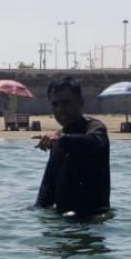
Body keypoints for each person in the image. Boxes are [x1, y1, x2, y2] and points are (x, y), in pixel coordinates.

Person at [36, 76, 111, 217]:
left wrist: (62, 140)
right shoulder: (59, 138)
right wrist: (37, 210)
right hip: (63, 221)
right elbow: (48, 185)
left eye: (66, 103)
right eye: (55, 104)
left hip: (92, 221)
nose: (60, 109)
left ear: (80, 103)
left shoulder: (94, 128)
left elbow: (95, 142)